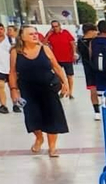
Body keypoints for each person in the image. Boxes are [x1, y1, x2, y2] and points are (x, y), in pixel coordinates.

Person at [8, 24, 68, 157]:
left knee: (52, 116)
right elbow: (12, 72)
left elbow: (56, 67)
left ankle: (52, 147)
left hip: (48, 88)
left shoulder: (44, 49)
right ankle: (39, 138)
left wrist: (65, 83)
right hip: (28, 90)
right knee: (32, 117)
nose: (35, 36)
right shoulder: (15, 52)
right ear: (22, 37)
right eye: (31, 34)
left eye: (35, 33)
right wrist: (13, 90)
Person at [47, 19, 77, 95]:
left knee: (69, 75)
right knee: (58, 76)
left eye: (56, 26)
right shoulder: (50, 35)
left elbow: (72, 43)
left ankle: (70, 92)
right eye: (53, 27)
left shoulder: (66, 33)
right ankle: (63, 89)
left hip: (67, 58)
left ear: (59, 26)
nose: (55, 28)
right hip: (56, 59)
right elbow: (43, 43)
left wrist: (74, 53)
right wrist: (48, 34)